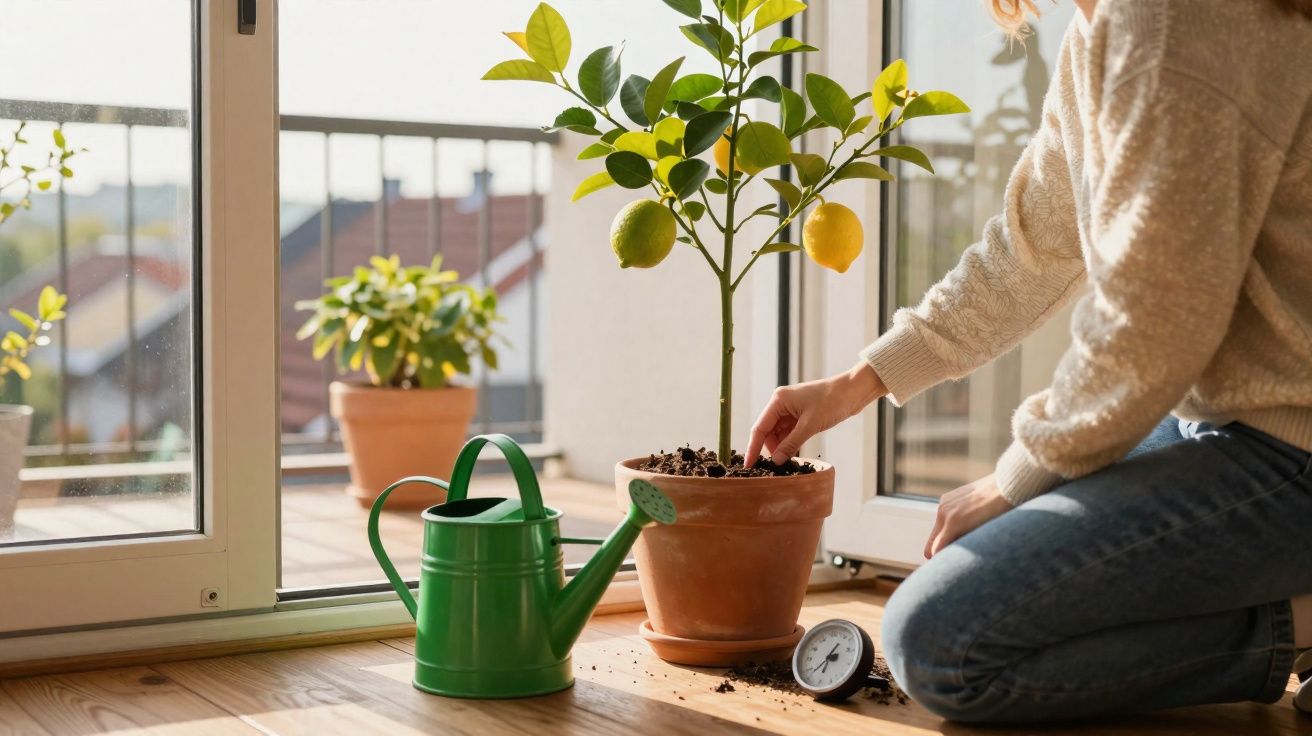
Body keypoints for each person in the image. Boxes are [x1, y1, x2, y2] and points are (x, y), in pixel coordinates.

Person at [745, 0, 1312, 723]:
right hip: (1221, 426)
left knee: (940, 645)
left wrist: (1017, 478)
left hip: (1292, 450)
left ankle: (1297, 623)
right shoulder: (1104, 27)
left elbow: (1155, 318)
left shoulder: (1169, 17)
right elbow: (1028, 252)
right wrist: (859, 382)